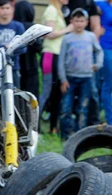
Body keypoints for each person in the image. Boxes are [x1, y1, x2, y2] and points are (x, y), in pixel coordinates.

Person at [58, 7, 103, 140]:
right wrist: (63, 79)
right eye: (76, 20)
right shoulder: (67, 39)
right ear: (72, 21)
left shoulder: (91, 37)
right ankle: (64, 136)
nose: (79, 23)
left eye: (82, 21)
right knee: (66, 108)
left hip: (86, 78)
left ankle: (80, 137)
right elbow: (61, 61)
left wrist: (98, 64)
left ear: (87, 22)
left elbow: (99, 51)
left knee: (83, 108)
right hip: (70, 78)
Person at [39, 0, 73, 135]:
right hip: (50, 54)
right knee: (47, 91)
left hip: (58, 55)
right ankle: (35, 126)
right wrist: (68, 29)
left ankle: (53, 127)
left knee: (57, 93)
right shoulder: (51, 10)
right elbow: (48, 33)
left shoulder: (58, 10)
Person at [0, 0, 25, 88]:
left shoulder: (18, 26)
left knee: (15, 95)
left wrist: (0, 47)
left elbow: (22, 48)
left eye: (7, 8)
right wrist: (9, 47)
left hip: (14, 67)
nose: (5, 11)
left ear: (12, 9)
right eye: (2, 8)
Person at [15, 0, 41, 98]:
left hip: (17, 65)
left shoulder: (15, 26)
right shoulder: (32, 27)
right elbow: (39, 47)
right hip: (31, 65)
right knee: (32, 95)